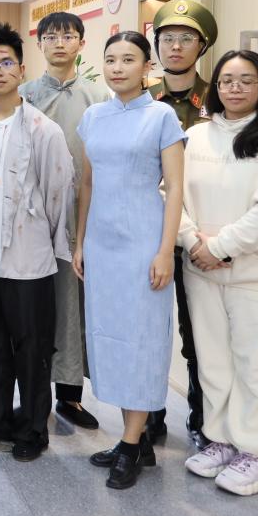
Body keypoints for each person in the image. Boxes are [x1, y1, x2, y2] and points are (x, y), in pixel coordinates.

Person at [178, 50, 258, 496]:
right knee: (214, 363)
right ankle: (222, 440)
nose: (234, 88)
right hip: (201, 271)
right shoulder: (196, 136)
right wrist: (192, 241)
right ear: (215, 87)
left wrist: (218, 248)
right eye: (226, 80)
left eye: (246, 80)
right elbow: (169, 193)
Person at [74, 31, 186, 489]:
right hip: (102, 244)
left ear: (146, 67)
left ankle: (131, 443)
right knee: (112, 340)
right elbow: (87, 184)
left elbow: (175, 188)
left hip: (144, 242)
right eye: (111, 59)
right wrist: (80, 242)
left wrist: (165, 250)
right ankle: (133, 441)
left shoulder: (161, 116)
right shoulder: (93, 116)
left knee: (140, 339)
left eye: (128, 59)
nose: (117, 68)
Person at [0, 24, 74, 462]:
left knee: (32, 349)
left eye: (6, 62)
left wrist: (50, 246)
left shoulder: (44, 130)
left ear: (22, 70)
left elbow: (58, 195)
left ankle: (32, 429)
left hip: (29, 262)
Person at [19, 12, 109, 431]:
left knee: (74, 303)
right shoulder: (23, 96)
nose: (59, 43)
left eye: (68, 36)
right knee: (37, 305)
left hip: (83, 214)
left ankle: (70, 396)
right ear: (39, 44)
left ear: (81, 44)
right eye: (51, 36)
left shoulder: (99, 97)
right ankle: (33, 394)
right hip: (34, 216)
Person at [147, 0, 220, 446]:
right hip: (149, 233)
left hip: (199, 235)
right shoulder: (141, 98)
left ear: (201, 46)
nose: (175, 47)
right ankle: (148, 417)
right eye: (167, 38)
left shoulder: (219, 97)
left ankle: (202, 420)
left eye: (186, 39)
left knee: (199, 335)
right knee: (149, 330)